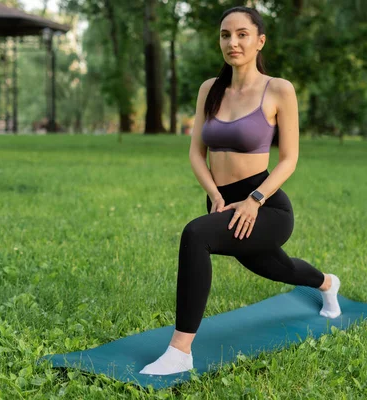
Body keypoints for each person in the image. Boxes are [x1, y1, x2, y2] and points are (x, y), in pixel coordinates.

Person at [140, 6, 341, 376]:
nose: (233, 42)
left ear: (259, 41)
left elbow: (289, 160)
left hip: (266, 205)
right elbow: (196, 153)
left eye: (242, 34)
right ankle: (327, 283)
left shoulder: (278, 89)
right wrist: (214, 195)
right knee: (276, 268)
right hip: (222, 200)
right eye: (225, 35)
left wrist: (254, 201)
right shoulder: (210, 90)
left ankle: (181, 350)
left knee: (195, 235)